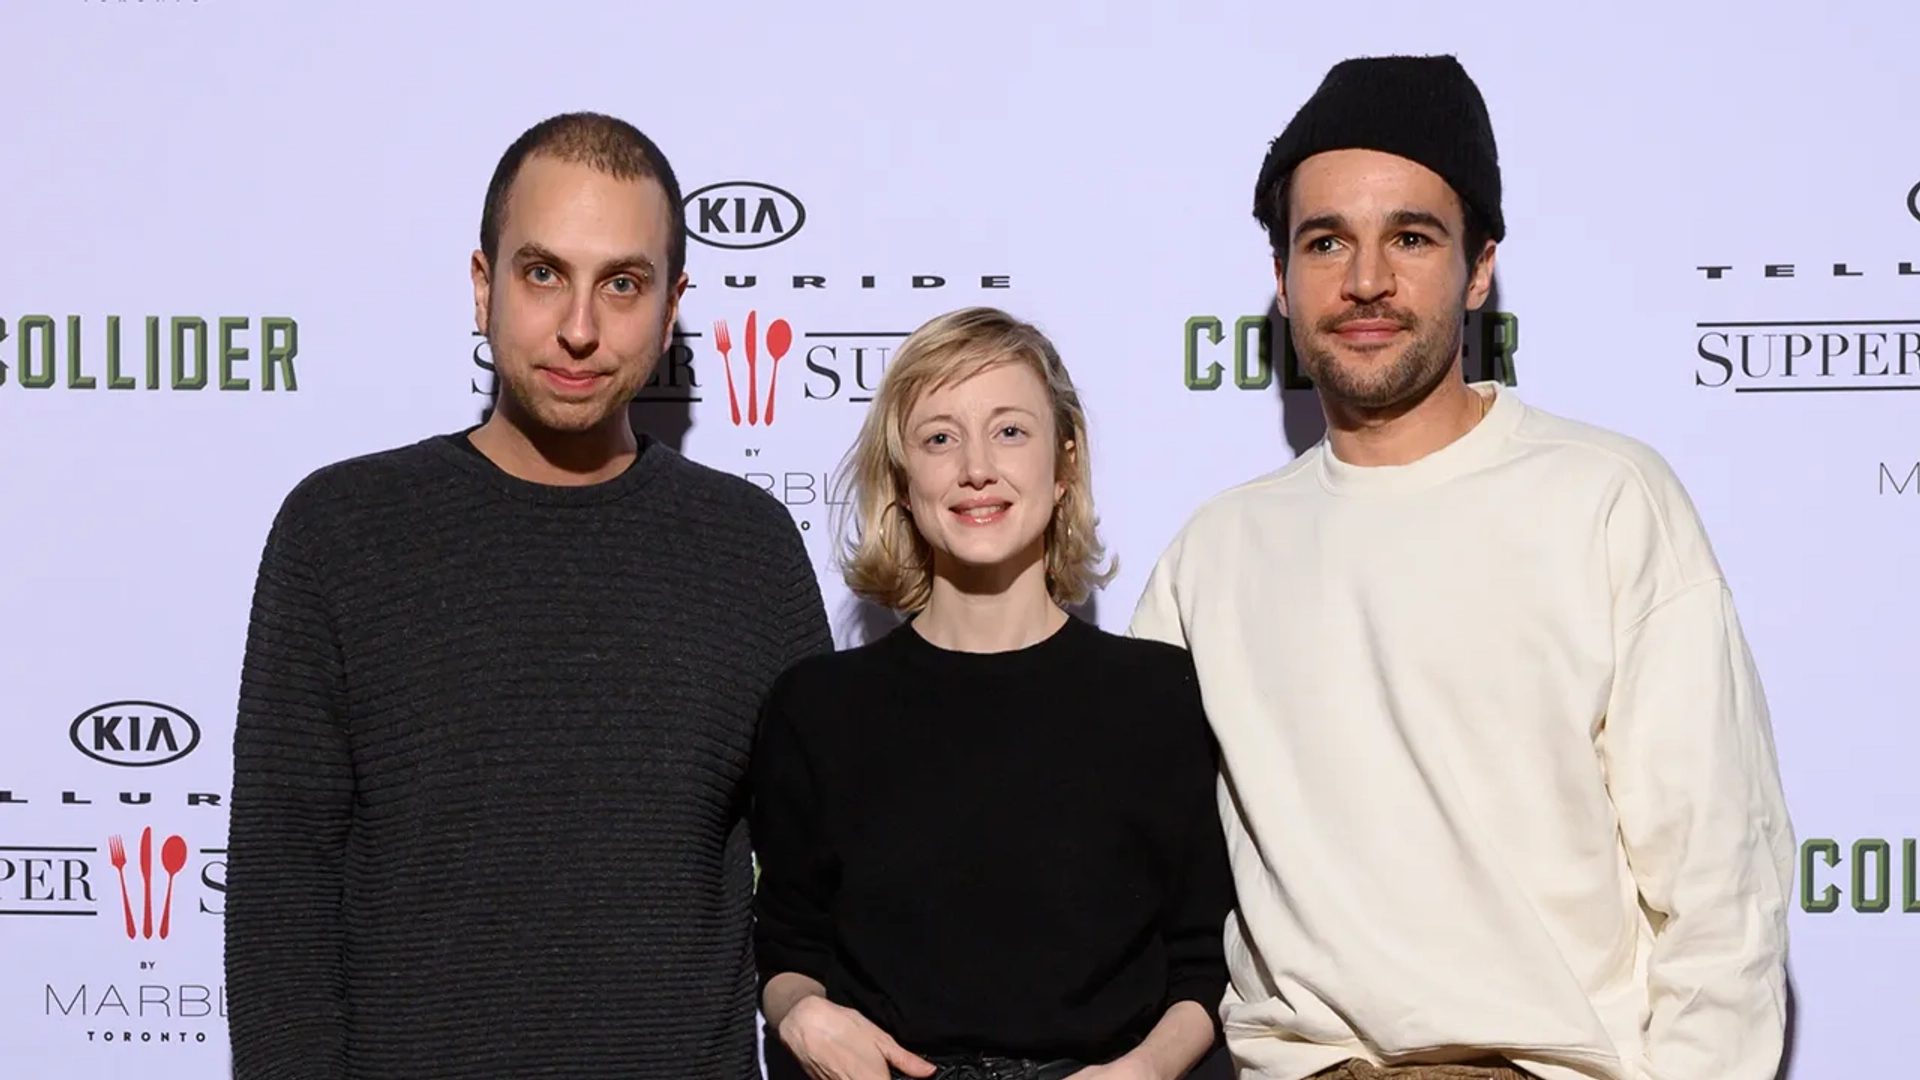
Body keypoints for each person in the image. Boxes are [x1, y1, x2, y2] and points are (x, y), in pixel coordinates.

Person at [1129, 55, 1795, 1080]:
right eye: (1325, 242)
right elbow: (1122, 864)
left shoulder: (1606, 500)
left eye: (1410, 237)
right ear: (1281, 278)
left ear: (1480, 267)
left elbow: (1721, 887)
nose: (1364, 281)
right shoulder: (1213, 556)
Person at [223, 112, 830, 1080]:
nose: (580, 328)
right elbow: (282, 898)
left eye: (622, 284)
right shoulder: (342, 531)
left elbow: (823, 887)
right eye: (542, 273)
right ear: (482, 285)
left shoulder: (748, 549)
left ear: (672, 308)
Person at [749, 306, 1237, 1080]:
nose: (977, 467)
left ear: (1064, 460)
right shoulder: (819, 708)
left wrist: (1142, 1072)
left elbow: (1206, 959)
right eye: (940, 437)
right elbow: (788, 946)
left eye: (1010, 430)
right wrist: (801, 1014)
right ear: (904, 483)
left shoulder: (1161, 696)